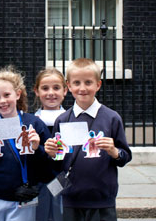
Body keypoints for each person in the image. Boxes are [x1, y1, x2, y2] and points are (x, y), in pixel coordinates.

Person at [44, 58, 132, 221]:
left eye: (88, 82)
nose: (82, 88)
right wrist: (51, 153)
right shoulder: (62, 120)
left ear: (98, 85)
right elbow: (57, 162)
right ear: (69, 86)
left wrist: (114, 151)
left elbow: (125, 156)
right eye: (76, 83)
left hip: (102, 200)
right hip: (70, 199)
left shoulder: (112, 118)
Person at [0, 66, 52, 221]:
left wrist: (37, 149)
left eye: (7, 95)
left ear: (18, 94)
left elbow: (48, 166)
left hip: (23, 200)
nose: (2, 101)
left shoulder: (34, 124)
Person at [33, 67, 68, 221]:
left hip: (63, 178)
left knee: (60, 214)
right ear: (36, 91)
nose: (51, 93)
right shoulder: (31, 121)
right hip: (38, 179)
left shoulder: (72, 120)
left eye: (56, 88)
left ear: (65, 90)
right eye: (45, 88)